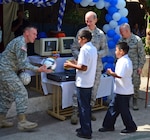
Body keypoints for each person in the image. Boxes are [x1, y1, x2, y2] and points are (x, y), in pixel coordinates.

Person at [0, 26, 52, 131]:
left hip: (4, 70)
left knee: (7, 96)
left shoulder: (21, 42)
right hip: (6, 70)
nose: (36, 37)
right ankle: (22, 122)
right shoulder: (21, 43)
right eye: (34, 34)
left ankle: (1, 119)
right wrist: (39, 69)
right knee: (21, 92)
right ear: (27, 33)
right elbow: (23, 63)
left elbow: (20, 62)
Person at [71, 11, 108, 124]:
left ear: (95, 20)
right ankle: (75, 111)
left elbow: (105, 50)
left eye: (90, 21)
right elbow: (74, 48)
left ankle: (89, 110)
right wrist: (82, 56)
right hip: (83, 66)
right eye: (86, 20)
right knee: (79, 89)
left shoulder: (100, 34)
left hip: (96, 67)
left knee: (93, 89)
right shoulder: (82, 32)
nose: (88, 23)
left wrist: (94, 55)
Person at [64, 30, 97, 139]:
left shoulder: (84, 49)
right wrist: (75, 63)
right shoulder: (93, 48)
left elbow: (83, 67)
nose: (78, 41)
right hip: (89, 81)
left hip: (83, 83)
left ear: (84, 39)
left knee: (83, 108)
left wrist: (70, 65)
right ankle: (84, 128)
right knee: (85, 107)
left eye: (79, 38)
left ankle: (86, 132)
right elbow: (84, 64)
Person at [98, 42, 137, 134]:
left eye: (117, 50)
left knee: (124, 111)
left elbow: (120, 75)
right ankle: (108, 125)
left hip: (124, 91)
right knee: (113, 108)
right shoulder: (123, 60)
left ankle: (131, 126)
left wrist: (110, 73)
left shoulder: (124, 61)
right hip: (120, 90)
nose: (115, 52)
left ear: (122, 51)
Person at [119, 23, 146, 110]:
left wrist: (140, 67)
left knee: (135, 84)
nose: (120, 33)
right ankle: (125, 102)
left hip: (134, 67)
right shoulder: (121, 40)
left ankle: (135, 101)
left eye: (122, 32)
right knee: (123, 84)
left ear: (127, 31)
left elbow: (142, 55)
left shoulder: (137, 40)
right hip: (124, 67)